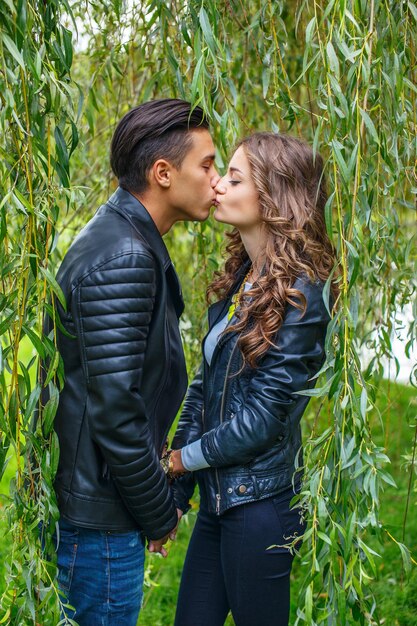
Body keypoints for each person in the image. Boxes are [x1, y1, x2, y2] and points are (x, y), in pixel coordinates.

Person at [41, 98, 219, 625]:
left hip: (98, 507)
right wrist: (159, 513)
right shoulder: (126, 256)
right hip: (101, 521)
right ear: (162, 173)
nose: (216, 180)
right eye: (207, 165)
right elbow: (116, 412)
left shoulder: (123, 237)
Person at [166, 132, 338, 626]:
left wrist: (181, 461)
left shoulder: (303, 295)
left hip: (259, 505)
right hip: (220, 499)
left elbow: (263, 418)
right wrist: (179, 491)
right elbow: (204, 389)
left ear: (274, 196)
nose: (217, 183)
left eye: (234, 178)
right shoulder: (245, 276)